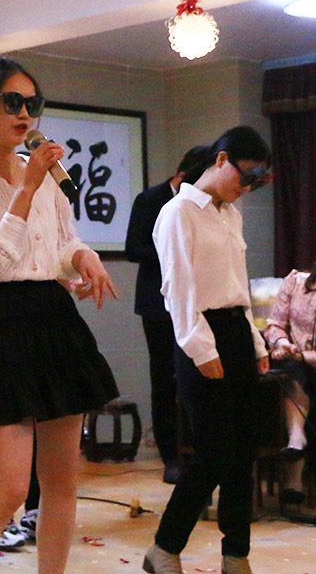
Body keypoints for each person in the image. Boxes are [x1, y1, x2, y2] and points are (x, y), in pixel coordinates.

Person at [0, 56, 119, 574]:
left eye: (32, 103)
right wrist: (26, 187)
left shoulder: (41, 175)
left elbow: (61, 243)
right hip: (3, 319)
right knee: (8, 491)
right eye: (12, 102)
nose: (24, 114)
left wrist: (83, 257)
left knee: (61, 483)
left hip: (54, 317)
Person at [145, 126, 272, 574]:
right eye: (245, 176)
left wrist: (255, 340)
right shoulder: (178, 212)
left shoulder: (230, 214)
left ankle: (236, 554)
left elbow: (238, 285)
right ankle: (164, 548)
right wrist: (201, 348)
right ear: (221, 160)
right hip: (199, 333)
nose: (247, 188)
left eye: (256, 181)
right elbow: (177, 289)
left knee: (244, 452)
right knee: (214, 451)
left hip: (236, 330)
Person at [125, 145, 208, 484]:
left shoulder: (203, 203)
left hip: (194, 301)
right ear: (183, 175)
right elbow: (133, 248)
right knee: (164, 379)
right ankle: (169, 455)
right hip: (157, 304)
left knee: (195, 376)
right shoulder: (151, 199)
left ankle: (196, 448)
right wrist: (173, 251)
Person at [263, 263, 316, 505]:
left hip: (307, 361)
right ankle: (296, 437)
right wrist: (283, 344)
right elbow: (274, 324)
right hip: (294, 364)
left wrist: (303, 355)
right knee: (292, 371)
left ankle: (294, 478)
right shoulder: (295, 282)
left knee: (299, 368)